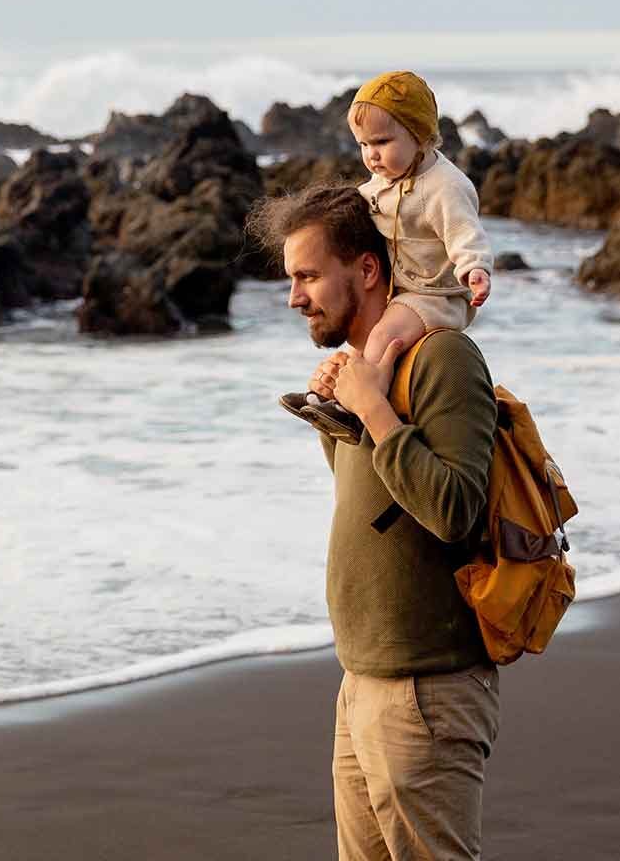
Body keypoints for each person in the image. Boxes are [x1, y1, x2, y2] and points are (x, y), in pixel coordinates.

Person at [247, 185, 500, 861]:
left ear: (365, 270)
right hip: (362, 680)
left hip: (428, 688)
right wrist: (349, 406)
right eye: (291, 279)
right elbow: (381, 506)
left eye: (307, 276)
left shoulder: (443, 358)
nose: (295, 297)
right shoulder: (360, 376)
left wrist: (373, 408)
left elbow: (454, 511)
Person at [280, 70, 494, 444]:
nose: (371, 155)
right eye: (363, 145)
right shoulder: (383, 181)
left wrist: (473, 267)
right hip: (404, 288)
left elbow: (464, 231)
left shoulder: (445, 186)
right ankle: (337, 403)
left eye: (381, 141)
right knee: (365, 347)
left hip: (435, 294)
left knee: (382, 337)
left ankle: (356, 408)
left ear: (420, 135)